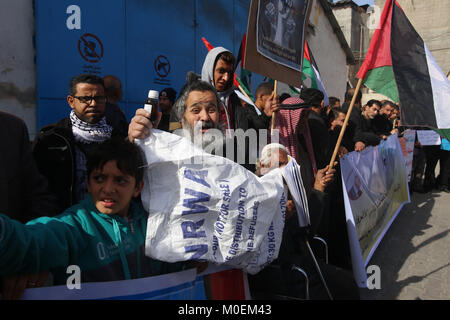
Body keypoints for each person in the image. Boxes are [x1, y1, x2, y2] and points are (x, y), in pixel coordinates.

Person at [0, 138, 185, 291]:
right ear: (87, 184)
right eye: (99, 178)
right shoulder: (77, 226)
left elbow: (174, 265)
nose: (108, 189)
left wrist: (192, 261)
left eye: (120, 180)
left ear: (138, 188)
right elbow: (31, 242)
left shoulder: (151, 225)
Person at [248, 144, 360, 300]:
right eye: (279, 164)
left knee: (346, 283)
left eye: (286, 164)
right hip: (279, 270)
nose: (283, 169)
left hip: (300, 259)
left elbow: (305, 230)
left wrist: (318, 188)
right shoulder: (253, 190)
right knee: (340, 286)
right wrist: (276, 216)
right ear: (263, 166)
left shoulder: (290, 188)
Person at [32, 74, 127, 212]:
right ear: (71, 101)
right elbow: (37, 190)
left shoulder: (118, 140)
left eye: (99, 98)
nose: (93, 104)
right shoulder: (50, 140)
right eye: (86, 98)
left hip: (109, 223)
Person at [200, 47, 274, 132]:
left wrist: (266, 115)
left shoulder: (238, 101)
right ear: (210, 70)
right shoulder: (195, 98)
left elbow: (254, 133)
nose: (226, 78)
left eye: (230, 73)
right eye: (221, 71)